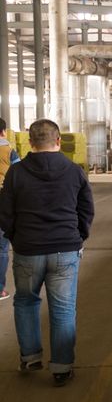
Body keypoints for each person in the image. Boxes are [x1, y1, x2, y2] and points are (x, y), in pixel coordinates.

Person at [0, 119, 94, 387]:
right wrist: (78, 237)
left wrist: (17, 237)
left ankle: (30, 357)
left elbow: (5, 213)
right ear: (59, 141)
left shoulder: (17, 173)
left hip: (28, 250)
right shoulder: (74, 171)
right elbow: (86, 209)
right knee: (63, 309)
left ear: (31, 142)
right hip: (65, 250)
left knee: (26, 302)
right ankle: (62, 367)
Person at [0, 118, 21, 300]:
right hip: (3, 200)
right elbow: (19, 177)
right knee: (1, 248)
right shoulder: (9, 151)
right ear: (3, 132)